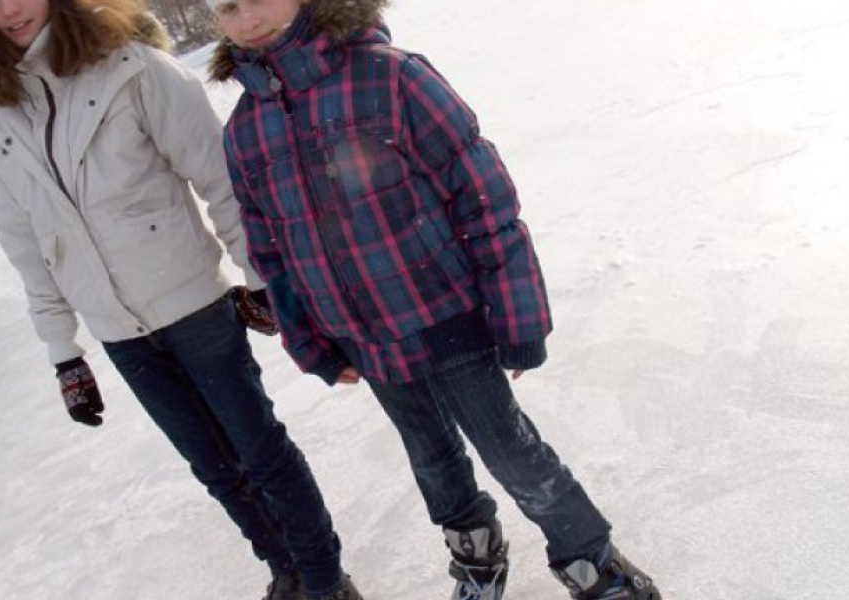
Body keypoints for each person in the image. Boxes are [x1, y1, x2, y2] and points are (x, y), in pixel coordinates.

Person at [208, 0, 661, 599]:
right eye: (228, 7)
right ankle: (476, 557)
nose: (245, 19)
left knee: (513, 452)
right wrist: (308, 337)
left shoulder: (389, 76)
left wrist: (516, 313)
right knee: (430, 458)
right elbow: (269, 247)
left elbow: (484, 195)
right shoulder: (246, 127)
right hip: (363, 339)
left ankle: (595, 566)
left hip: (447, 318)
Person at [0, 1, 362, 599]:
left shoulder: (130, 68)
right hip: (118, 331)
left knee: (259, 452)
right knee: (215, 469)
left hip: (194, 304)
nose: (10, 9)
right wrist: (64, 353)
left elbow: (220, 178)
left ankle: (326, 581)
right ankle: (286, 573)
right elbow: (25, 240)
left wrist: (257, 276)